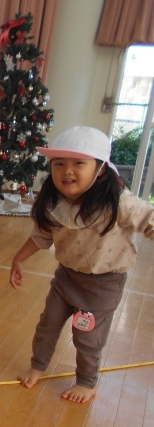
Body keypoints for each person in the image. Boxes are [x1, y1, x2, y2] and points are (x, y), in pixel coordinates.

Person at [10, 126, 154, 403]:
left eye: (79, 163)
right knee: (47, 326)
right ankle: (38, 365)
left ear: (100, 169)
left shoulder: (118, 201)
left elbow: (149, 219)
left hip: (103, 284)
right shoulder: (53, 201)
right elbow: (41, 235)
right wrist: (18, 259)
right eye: (59, 164)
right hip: (66, 278)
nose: (67, 171)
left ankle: (87, 382)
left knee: (86, 337)